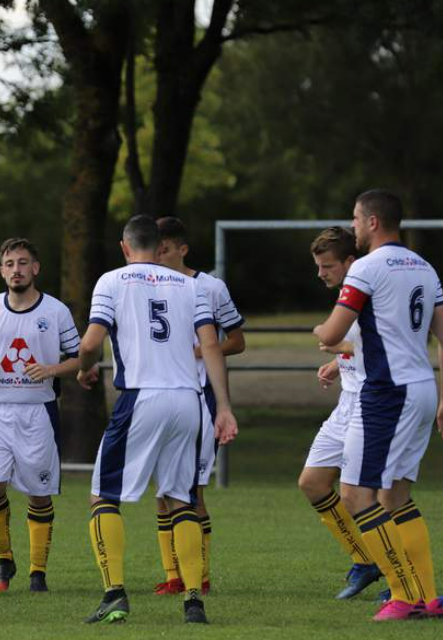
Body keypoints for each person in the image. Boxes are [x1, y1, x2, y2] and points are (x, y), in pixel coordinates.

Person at [75, 215, 237, 625]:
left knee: (102, 495)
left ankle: (114, 593)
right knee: (182, 497)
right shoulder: (192, 285)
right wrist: (223, 407)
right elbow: (212, 346)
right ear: (157, 245)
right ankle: (193, 600)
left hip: (141, 398)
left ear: (126, 247)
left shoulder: (112, 282)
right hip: (188, 400)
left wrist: (85, 366)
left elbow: (91, 342)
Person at [313, 189, 443, 621]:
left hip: (386, 392)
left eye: (356, 220)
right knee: (394, 496)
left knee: (356, 494)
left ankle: (404, 595)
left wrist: (321, 329)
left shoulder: (365, 268)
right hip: (420, 389)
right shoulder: (423, 267)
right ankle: (427, 595)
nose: (353, 227)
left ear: (373, 222)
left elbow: (332, 334)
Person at [0, 238, 80, 593]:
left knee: (38, 495)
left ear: (35, 268)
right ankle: (4, 561)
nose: (16, 270)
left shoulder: (56, 311)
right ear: (2, 270)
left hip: (38, 412)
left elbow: (80, 358)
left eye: (22, 263)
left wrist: (51, 369)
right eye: (9, 264)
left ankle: (38, 572)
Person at [152, 217, 245, 596]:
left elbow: (237, 341)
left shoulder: (208, 287)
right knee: (162, 492)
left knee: (191, 490)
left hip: (200, 398)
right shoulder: (147, 285)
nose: (158, 256)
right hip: (159, 399)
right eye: (154, 249)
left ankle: (200, 575)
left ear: (182, 249)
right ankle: (173, 575)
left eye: (165, 249)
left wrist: (200, 350)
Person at [300, 227, 381, 599]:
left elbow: (388, 344)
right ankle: (366, 561)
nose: (321, 274)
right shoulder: (349, 295)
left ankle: (398, 577)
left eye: (327, 266)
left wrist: (337, 343)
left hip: (371, 404)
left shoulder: (372, 290)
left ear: (351, 262)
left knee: (363, 496)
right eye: (317, 267)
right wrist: (340, 361)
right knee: (313, 483)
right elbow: (356, 345)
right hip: (345, 403)